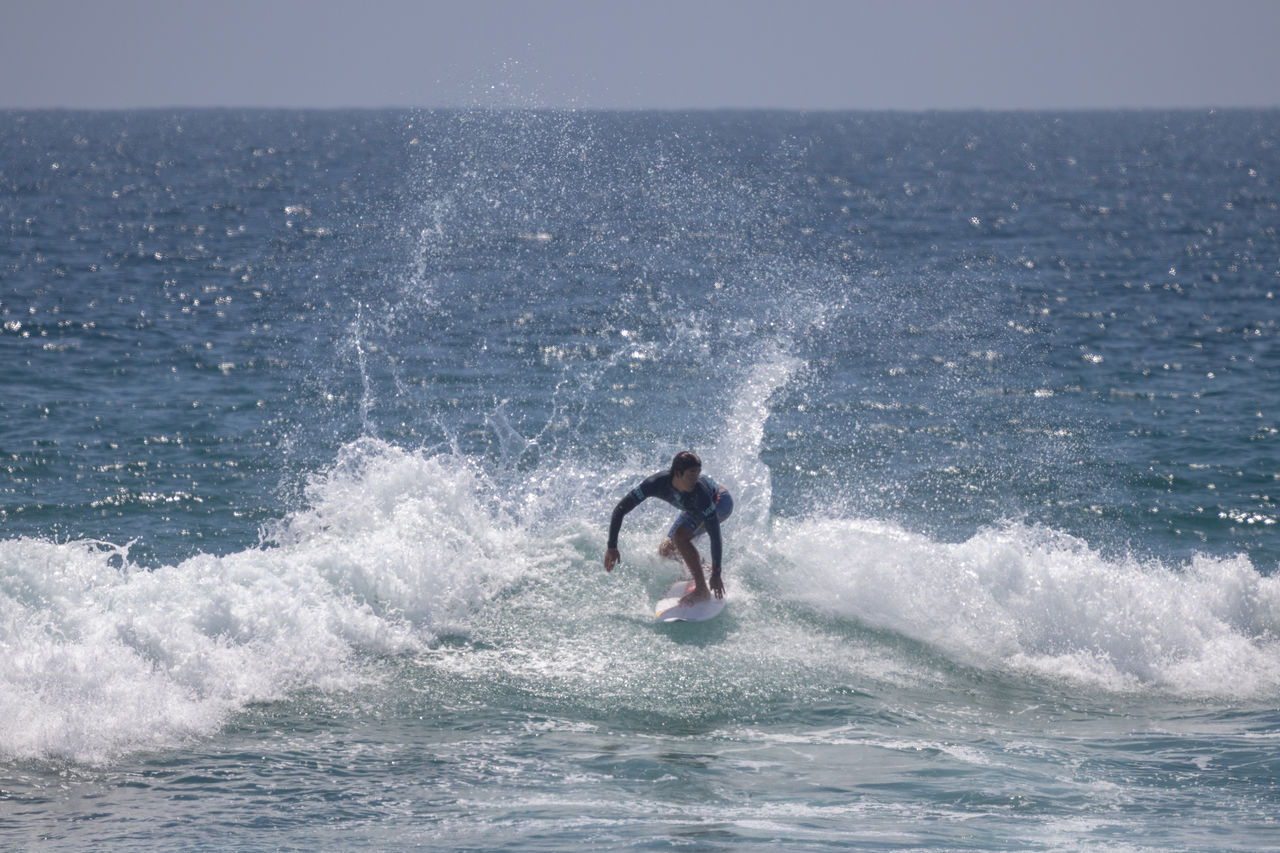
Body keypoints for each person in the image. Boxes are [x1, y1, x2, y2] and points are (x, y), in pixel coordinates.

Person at [604, 451, 733, 602]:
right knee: (666, 550)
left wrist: (717, 574)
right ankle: (701, 567)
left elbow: (715, 535)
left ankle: (701, 590)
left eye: (698, 473)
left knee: (680, 537)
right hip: (692, 507)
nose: (695, 478)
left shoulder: (700, 493)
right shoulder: (655, 483)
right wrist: (612, 546)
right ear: (678, 473)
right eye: (691, 474)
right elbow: (620, 509)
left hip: (720, 501)